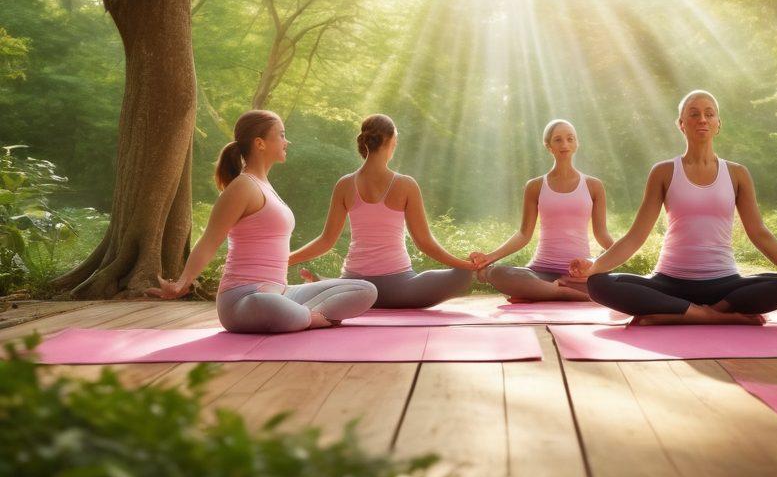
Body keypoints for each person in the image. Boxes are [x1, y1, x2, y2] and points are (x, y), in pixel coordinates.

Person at [570, 91, 777, 325]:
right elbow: (636, 236)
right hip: (668, 282)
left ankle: (678, 314)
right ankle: (714, 316)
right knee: (598, 284)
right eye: (693, 114)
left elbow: (757, 231)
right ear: (681, 124)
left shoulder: (737, 173)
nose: (702, 119)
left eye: (709, 114)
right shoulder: (664, 172)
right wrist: (594, 267)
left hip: (724, 284)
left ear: (718, 123)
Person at [149, 110, 377, 332]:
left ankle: (301, 315)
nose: (287, 141)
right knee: (266, 303)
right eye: (281, 135)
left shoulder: (266, 186)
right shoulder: (242, 186)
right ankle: (308, 316)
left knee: (365, 290)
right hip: (244, 298)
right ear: (260, 143)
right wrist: (182, 283)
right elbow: (210, 240)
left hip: (282, 292)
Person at [289, 114, 475, 308]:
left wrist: (287, 259)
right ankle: (334, 287)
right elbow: (424, 243)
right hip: (400, 288)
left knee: (352, 289)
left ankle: (332, 287)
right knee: (463, 277)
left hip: (355, 283)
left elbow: (326, 241)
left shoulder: (344, 185)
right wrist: (465, 266)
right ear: (390, 140)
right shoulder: (406, 185)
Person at [470, 119, 614, 302]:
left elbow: (601, 234)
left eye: (570, 139)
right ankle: (562, 293)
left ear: (577, 143)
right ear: (548, 146)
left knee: (606, 281)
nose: (565, 144)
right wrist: (489, 258)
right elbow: (523, 234)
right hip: (539, 272)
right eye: (558, 140)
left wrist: (618, 255)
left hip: (579, 275)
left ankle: (537, 293)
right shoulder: (535, 186)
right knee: (498, 273)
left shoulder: (594, 186)